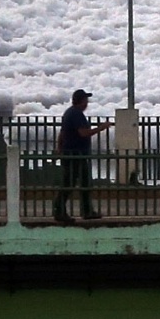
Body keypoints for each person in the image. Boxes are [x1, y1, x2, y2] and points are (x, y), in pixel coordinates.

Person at [54, 88, 111, 224]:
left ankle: (87, 211)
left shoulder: (69, 113)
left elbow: (62, 133)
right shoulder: (76, 114)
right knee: (70, 183)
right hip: (75, 154)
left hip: (72, 153)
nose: (87, 103)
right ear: (81, 101)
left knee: (81, 182)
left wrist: (59, 148)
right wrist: (101, 128)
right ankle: (61, 211)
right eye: (86, 100)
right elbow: (83, 133)